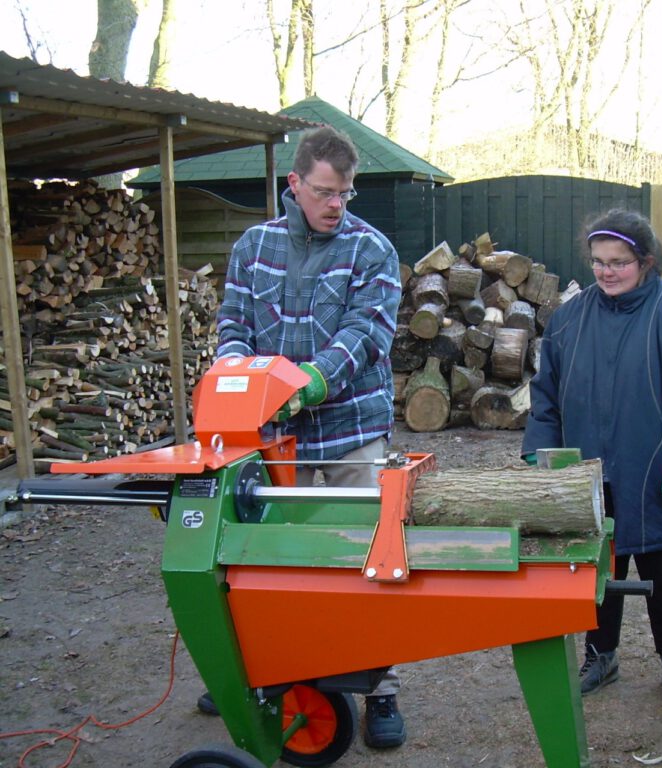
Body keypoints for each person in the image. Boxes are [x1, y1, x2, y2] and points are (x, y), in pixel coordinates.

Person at [210, 125, 406, 748]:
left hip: (352, 432)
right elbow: (233, 323)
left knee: (371, 558)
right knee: (265, 560)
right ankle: (262, 672)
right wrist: (239, 377)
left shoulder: (372, 249)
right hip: (273, 438)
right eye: (324, 192)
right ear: (294, 183)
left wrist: (314, 381)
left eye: (345, 193)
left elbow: (366, 333)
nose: (335, 204)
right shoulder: (254, 246)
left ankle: (379, 687)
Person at [521, 208, 662, 702]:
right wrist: (540, 451)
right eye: (598, 261)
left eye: (619, 262)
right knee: (595, 572)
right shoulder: (569, 319)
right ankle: (601, 655)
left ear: (646, 262)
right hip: (590, 477)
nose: (606, 271)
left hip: (659, 474)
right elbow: (546, 395)